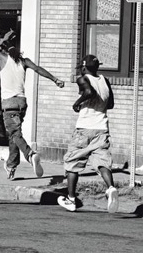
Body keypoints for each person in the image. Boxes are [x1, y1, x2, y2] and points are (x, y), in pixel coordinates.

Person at [0, 30, 64, 180]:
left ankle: (30, 155)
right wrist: (55, 79)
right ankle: (11, 166)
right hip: (21, 103)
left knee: (15, 134)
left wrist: (1, 41)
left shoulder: (2, 58)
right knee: (13, 136)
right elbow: (39, 69)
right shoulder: (24, 61)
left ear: (4, 48)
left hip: (9, 103)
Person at [57, 55, 118, 213]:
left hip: (84, 129)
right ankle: (111, 188)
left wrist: (77, 103)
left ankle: (71, 199)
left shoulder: (82, 78)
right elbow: (110, 103)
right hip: (102, 128)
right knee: (102, 162)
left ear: (84, 68)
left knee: (73, 163)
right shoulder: (104, 80)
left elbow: (89, 92)